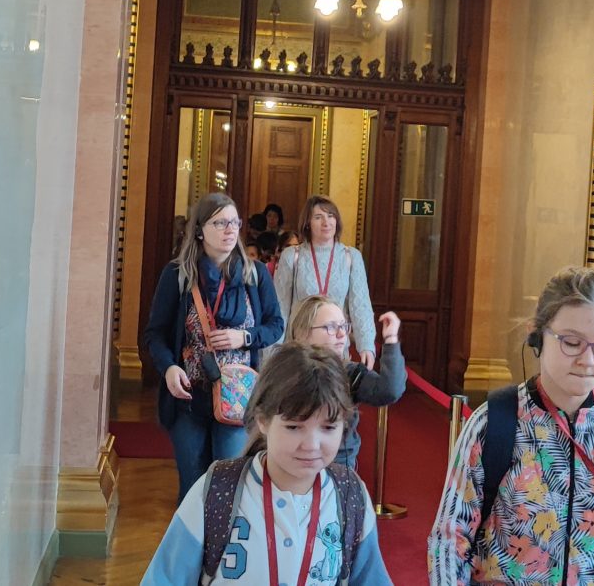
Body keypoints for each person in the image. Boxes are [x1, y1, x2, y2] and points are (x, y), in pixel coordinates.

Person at [428, 266, 594, 584]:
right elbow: (450, 537)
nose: (588, 360)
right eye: (572, 342)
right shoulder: (495, 422)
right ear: (537, 335)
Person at [142, 343, 393, 585]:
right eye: (294, 427)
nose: (311, 445)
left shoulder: (350, 497)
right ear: (262, 419)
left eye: (328, 427)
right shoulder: (217, 491)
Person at [143, 192, 285, 503]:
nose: (230, 229)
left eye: (235, 222)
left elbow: (276, 325)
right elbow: (155, 334)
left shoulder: (255, 274)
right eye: (220, 223)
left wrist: (244, 337)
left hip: (237, 397)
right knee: (193, 488)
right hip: (189, 396)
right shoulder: (177, 275)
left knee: (229, 486)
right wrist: (168, 368)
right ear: (199, 230)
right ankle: (192, 537)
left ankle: (226, 538)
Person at [288, 295, 406, 469]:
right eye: (330, 327)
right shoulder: (285, 371)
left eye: (343, 326)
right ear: (302, 333)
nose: (342, 334)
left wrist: (390, 340)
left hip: (339, 465)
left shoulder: (350, 373)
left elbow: (389, 390)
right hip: (294, 461)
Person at [275, 195, 377, 369]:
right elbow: (280, 308)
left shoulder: (351, 257)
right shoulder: (292, 256)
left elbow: (361, 306)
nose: (326, 222)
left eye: (331, 216)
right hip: (299, 351)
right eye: (318, 217)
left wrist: (366, 345)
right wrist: (273, 352)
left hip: (337, 349)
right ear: (307, 223)